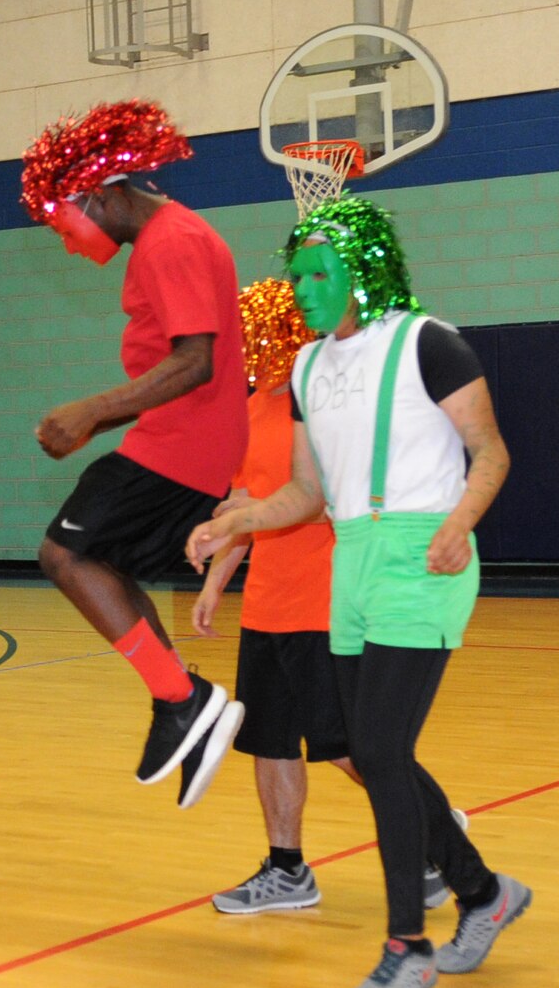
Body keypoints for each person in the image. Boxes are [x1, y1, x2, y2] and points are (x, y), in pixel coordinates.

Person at [187, 196, 529, 988]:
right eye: (295, 272)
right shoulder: (306, 371)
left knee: (376, 746)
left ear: (362, 268)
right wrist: (236, 519)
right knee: (375, 753)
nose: (301, 286)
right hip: (352, 560)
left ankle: (407, 946)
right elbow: (307, 491)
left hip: (423, 556)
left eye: (318, 271)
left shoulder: (429, 343)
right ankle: (483, 892)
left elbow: (491, 451)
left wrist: (459, 523)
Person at [193, 279, 466, 916]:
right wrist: (214, 584)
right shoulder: (250, 410)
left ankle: (436, 836)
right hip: (266, 609)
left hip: (324, 607)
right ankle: (287, 871)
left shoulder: (319, 403)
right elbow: (244, 510)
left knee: (349, 747)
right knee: (269, 743)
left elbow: (318, 501)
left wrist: (253, 514)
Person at [19, 99, 247, 809]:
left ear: (100, 195)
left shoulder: (172, 241)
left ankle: (182, 698)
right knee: (101, 564)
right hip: (178, 438)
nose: (66, 241)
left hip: (187, 442)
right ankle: (181, 701)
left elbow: (196, 362)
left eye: (65, 223)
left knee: (64, 554)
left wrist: (94, 409)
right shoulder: (164, 241)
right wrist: (105, 420)